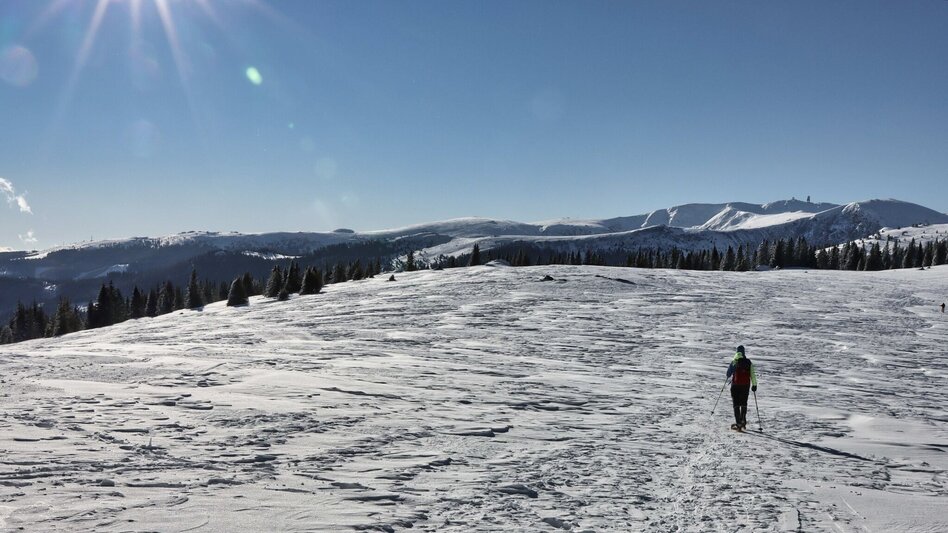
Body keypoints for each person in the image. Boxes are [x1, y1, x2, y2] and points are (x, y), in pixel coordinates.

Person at [726, 345, 758, 430]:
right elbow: (753, 374)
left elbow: (728, 374)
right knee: (744, 402)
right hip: (745, 385)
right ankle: (743, 420)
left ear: (737, 352)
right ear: (744, 352)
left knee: (736, 403)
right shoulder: (748, 362)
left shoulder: (735, 361)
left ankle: (738, 423)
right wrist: (754, 385)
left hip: (735, 385)